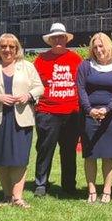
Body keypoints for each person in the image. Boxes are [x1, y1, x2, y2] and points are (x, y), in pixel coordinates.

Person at [0, 33, 44, 209]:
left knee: (20, 159)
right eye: (3, 47)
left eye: (11, 47)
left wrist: (28, 95)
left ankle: (18, 197)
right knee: (2, 159)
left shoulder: (27, 67)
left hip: (21, 118)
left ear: (17, 49)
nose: (7, 50)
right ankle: (7, 196)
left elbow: (40, 87)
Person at [32, 22, 82, 197]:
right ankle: (41, 183)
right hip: (47, 111)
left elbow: (82, 85)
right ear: (50, 40)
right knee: (45, 149)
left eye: (61, 37)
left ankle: (69, 184)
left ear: (66, 39)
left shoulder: (76, 59)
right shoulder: (40, 59)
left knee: (69, 151)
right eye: (55, 38)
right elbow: (32, 84)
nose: (58, 40)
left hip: (71, 113)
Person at [76, 33, 112, 204]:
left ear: (108, 46)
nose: (98, 50)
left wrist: (107, 108)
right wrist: (90, 110)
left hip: (111, 117)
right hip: (89, 116)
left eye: (101, 46)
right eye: (95, 47)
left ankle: (106, 190)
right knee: (90, 155)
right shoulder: (85, 66)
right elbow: (81, 89)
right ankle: (91, 191)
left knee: (108, 155)